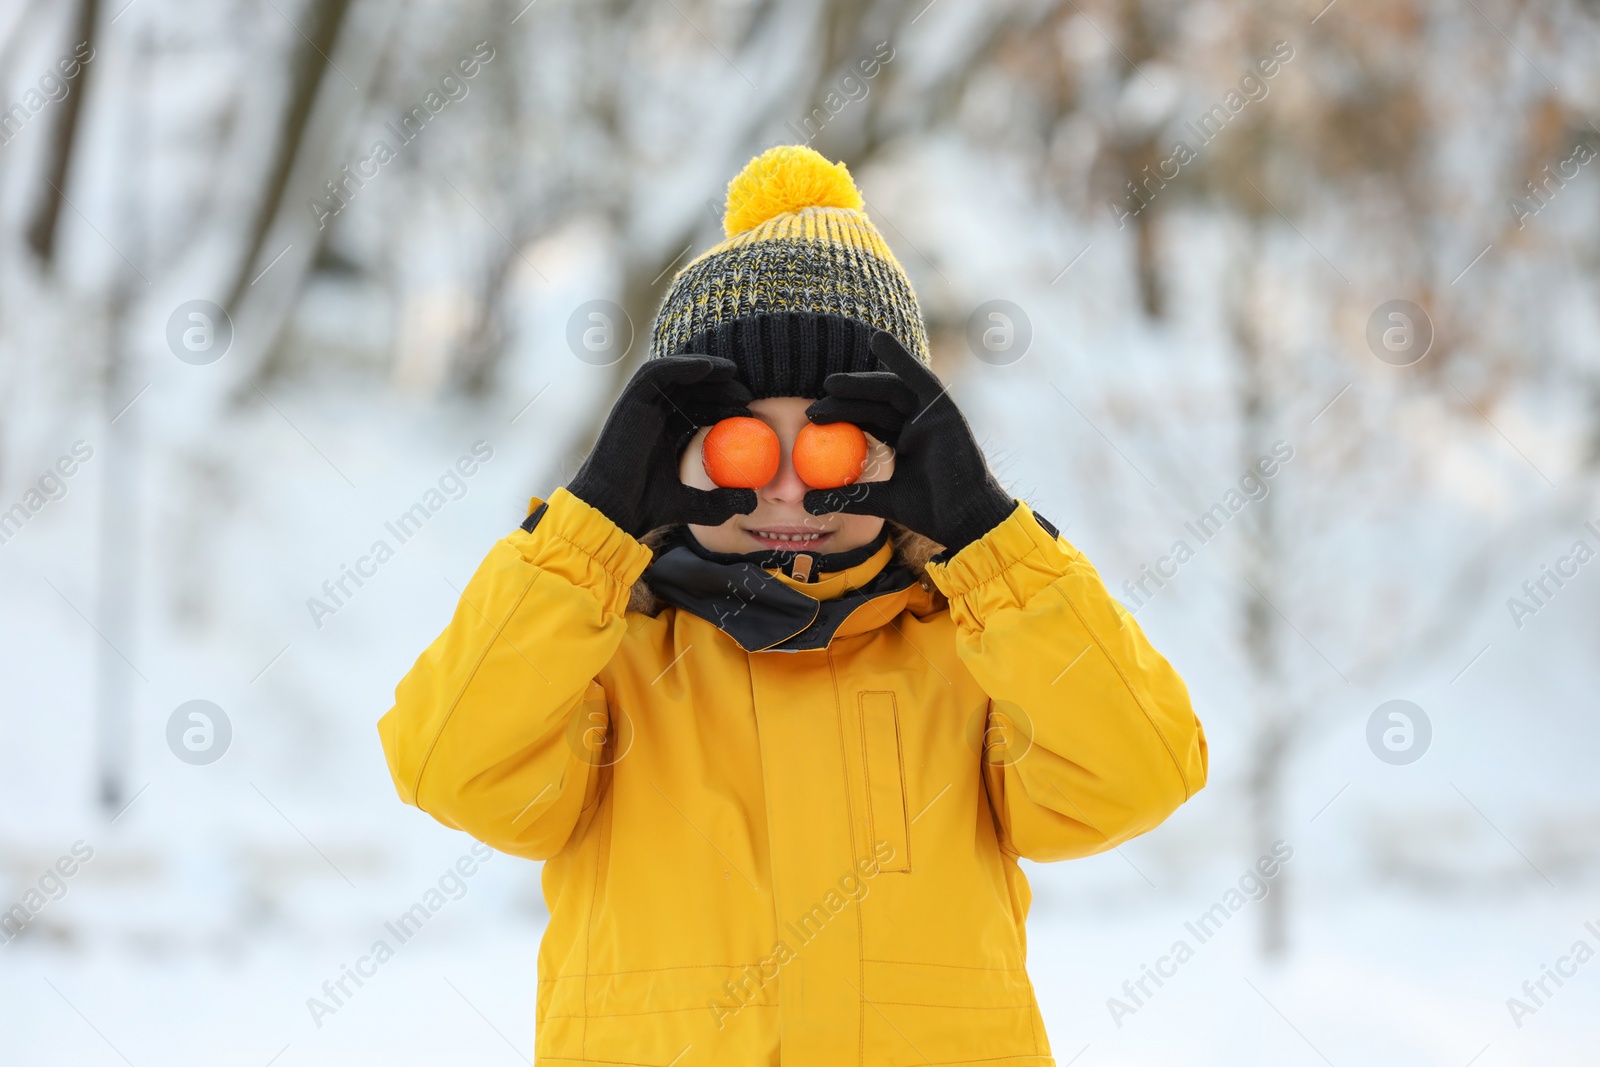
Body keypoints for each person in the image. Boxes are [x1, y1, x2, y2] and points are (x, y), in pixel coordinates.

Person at [379, 145, 1207, 1066]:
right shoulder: (608, 649)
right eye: (738, 449)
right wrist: (588, 531)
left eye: (833, 450)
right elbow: (446, 765)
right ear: (669, 457)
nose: (785, 494)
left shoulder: (971, 648)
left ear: (911, 453)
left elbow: (1140, 773)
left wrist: (990, 543)